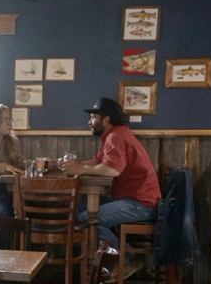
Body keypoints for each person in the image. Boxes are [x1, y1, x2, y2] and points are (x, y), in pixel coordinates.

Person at [66, 96, 162, 248]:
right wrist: (73, 165)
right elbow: (98, 161)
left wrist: (80, 169)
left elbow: (112, 170)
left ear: (106, 119)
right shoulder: (116, 134)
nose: (89, 122)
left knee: (87, 219)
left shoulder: (115, 137)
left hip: (141, 205)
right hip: (135, 200)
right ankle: (107, 259)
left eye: (93, 117)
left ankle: (126, 259)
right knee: (78, 208)